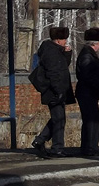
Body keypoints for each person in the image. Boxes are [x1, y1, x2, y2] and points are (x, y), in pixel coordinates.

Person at [31, 25, 74, 158]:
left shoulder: (55, 51)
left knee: (58, 118)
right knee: (58, 119)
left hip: (56, 90)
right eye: (64, 39)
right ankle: (57, 148)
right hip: (53, 91)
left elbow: (62, 66)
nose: (65, 42)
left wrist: (67, 53)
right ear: (58, 40)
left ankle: (40, 140)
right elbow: (54, 73)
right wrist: (58, 91)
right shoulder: (51, 52)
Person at [75, 27, 99, 157]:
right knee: (92, 120)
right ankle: (90, 148)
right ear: (96, 43)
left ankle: (90, 147)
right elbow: (87, 75)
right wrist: (96, 85)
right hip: (87, 92)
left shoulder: (87, 54)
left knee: (92, 119)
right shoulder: (88, 56)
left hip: (87, 92)